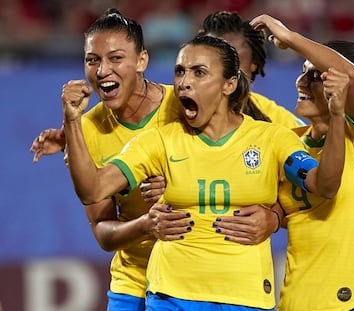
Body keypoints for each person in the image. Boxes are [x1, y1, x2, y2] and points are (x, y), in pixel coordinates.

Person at [62, 34, 347, 310]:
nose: (184, 83)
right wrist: (73, 121)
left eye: (199, 73)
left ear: (229, 84)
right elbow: (94, 190)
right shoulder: (160, 141)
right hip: (171, 295)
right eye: (180, 72)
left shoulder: (271, 138)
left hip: (246, 296)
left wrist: (336, 116)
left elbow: (325, 185)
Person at [29, 9, 281, 310]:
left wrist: (274, 216)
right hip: (133, 280)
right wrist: (145, 225)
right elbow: (102, 231)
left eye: (116, 58)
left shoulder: (189, 102)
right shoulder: (86, 131)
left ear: (142, 61)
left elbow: (268, 159)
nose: (102, 70)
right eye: (92, 60)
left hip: (196, 279)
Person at [249, 14, 354, 311]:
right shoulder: (290, 141)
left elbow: (353, 75)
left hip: (350, 301)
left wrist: (290, 38)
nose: (301, 81)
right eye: (303, 71)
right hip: (294, 300)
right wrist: (273, 217)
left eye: (315, 74)